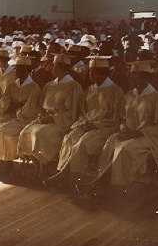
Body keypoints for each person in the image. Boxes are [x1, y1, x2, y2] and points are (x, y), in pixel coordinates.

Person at [80, 60, 158, 196]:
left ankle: (108, 186)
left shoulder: (156, 97)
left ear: (146, 78)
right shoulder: (129, 95)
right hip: (129, 133)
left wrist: (137, 132)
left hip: (148, 137)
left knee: (123, 149)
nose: (132, 78)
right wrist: (124, 128)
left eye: (136, 76)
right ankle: (100, 180)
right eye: (131, 75)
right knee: (110, 142)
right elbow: (123, 117)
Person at [45, 56, 124, 189]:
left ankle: (73, 176)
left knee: (81, 144)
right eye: (90, 71)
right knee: (69, 138)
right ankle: (64, 174)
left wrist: (95, 124)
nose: (90, 74)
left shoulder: (116, 91)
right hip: (87, 124)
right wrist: (82, 123)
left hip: (104, 128)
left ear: (103, 73)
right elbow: (82, 112)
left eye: (93, 72)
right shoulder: (89, 89)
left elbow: (115, 118)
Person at [17, 54, 84, 175]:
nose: (52, 69)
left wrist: (53, 118)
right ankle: (37, 164)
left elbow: (72, 112)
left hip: (60, 123)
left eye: (56, 66)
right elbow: (41, 105)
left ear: (64, 68)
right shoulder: (49, 85)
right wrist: (41, 114)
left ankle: (44, 166)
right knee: (26, 131)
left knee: (39, 134)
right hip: (45, 119)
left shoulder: (73, 86)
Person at [0, 56, 41, 176]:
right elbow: (5, 101)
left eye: (21, 69)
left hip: (24, 119)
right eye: (17, 69)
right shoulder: (12, 86)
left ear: (28, 71)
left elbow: (30, 109)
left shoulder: (34, 87)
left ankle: (7, 162)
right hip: (9, 115)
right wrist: (11, 106)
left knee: (3, 131)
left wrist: (17, 108)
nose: (17, 72)